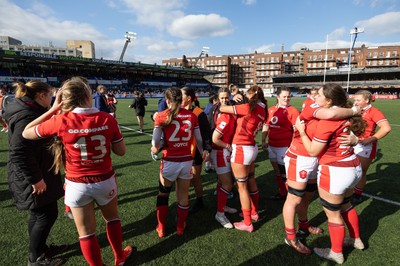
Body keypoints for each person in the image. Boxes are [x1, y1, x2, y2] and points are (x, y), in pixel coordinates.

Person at [22, 77, 133, 266]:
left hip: (76, 185)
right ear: (87, 95)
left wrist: (53, 110)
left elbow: (26, 132)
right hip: (104, 180)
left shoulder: (60, 120)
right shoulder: (106, 119)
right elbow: (121, 152)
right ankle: (119, 257)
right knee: (112, 219)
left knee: (86, 233)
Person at [283, 85, 360, 255]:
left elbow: (343, 127)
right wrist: (355, 109)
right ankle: (290, 237)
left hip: (316, 158)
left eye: (318, 94)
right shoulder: (312, 105)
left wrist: (355, 139)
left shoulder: (335, 111)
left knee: (307, 195)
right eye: (315, 93)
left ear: (329, 100)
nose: (313, 96)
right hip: (300, 157)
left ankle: (304, 224)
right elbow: (332, 115)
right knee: (294, 199)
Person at [4, 81, 67, 266]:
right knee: (45, 215)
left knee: (39, 213)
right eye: (50, 95)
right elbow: (18, 151)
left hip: (36, 170)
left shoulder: (28, 108)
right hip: (32, 175)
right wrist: (36, 179)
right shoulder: (26, 114)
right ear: (40, 96)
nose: (52, 98)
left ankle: (39, 249)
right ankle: (35, 258)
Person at [151, 87, 206, 237]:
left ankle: (161, 227)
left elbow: (155, 143)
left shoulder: (161, 116)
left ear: (167, 101)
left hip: (169, 161)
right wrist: (202, 152)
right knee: (183, 196)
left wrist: (154, 149)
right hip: (186, 161)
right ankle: (180, 226)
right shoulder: (191, 115)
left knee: (163, 195)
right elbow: (199, 139)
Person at [220, 85, 268, 232]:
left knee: (242, 187)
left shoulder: (248, 107)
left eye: (248, 94)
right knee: (251, 180)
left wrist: (234, 100)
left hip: (242, 147)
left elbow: (222, 108)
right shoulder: (263, 109)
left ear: (252, 95)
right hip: (252, 147)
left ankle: (247, 222)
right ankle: (253, 213)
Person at [352, 90, 391, 203]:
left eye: (358, 100)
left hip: (365, 146)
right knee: (349, 169)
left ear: (367, 100)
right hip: (352, 143)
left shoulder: (374, 111)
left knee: (360, 171)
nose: (355, 102)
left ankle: (357, 194)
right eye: (355, 99)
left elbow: (386, 128)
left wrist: (371, 139)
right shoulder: (354, 110)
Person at [262, 87, 300, 200]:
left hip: (284, 147)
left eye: (289, 96)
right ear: (278, 97)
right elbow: (266, 125)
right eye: (284, 96)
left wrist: (292, 146)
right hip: (272, 145)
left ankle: (291, 197)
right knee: (277, 171)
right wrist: (263, 140)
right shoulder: (271, 109)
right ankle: (282, 193)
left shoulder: (293, 111)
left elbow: (297, 131)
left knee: (285, 173)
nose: (287, 98)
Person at [181, 87, 212, 214]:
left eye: (181, 95)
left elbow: (206, 133)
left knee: (195, 178)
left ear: (189, 98)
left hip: (195, 152)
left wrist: (206, 149)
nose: (178, 97)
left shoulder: (199, 113)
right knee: (182, 179)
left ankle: (199, 201)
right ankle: (183, 201)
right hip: (181, 150)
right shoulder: (178, 111)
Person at [211, 88, 238, 228]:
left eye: (226, 97)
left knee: (223, 183)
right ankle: (219, 213)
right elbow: (215, 139)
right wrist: (228, 146)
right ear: (218, 99)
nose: (224, 100)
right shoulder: (225, 116)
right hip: (220, 152)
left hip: (223, 152)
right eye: (222, 98)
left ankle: (223, 206)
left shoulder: (230, 112)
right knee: (228, 184)